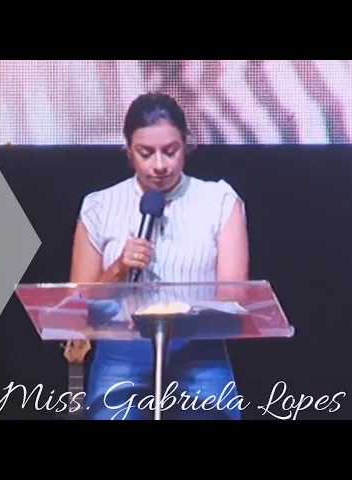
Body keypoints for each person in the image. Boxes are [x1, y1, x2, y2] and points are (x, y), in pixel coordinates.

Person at [69, 92, 249, 420]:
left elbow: (234, 296)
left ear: (186, 145)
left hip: (198, 350)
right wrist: (118, 268)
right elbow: (78, 304)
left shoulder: (219, 201)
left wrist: (181, 317)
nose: (160, 165)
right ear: (128, 151)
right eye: (145, 153)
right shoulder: (99, 206)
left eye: (170, 151)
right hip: (121, 353)